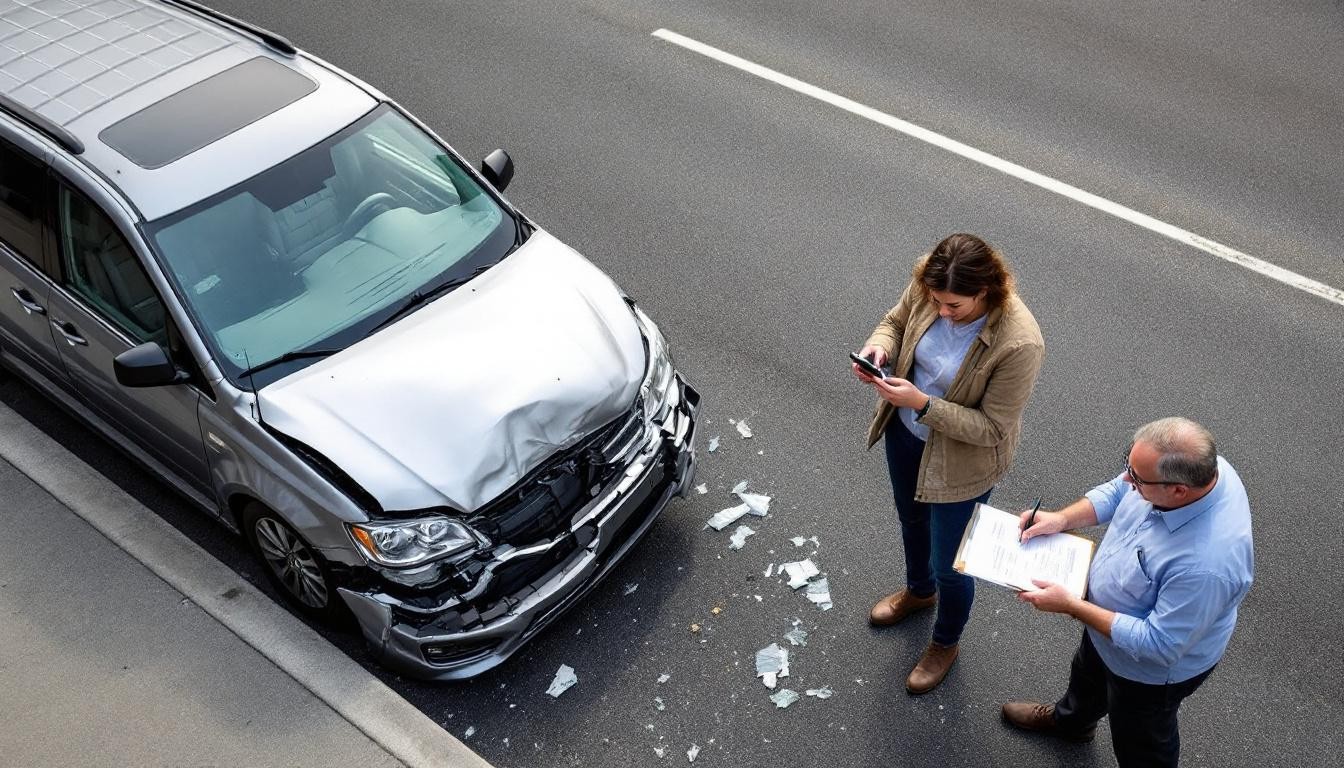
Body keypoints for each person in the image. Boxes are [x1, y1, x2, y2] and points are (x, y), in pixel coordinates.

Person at [853, 233, 1044, 694]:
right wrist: (879, 347)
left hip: (962, 461)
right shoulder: (931, 282)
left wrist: (923, 404)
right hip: (906, 435)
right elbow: (895, 322)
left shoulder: (1020, 343)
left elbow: (992, 428)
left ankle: (945, 643)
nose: (941, 311)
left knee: (953, 564)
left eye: (954, 306)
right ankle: (919, 593)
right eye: (936, 301)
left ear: (986, 293)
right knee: (911, 521)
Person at [1004, 417, 1254, 768]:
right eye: (1128, 466)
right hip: (1105, 631)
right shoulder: (1199, 470)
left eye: (1137, 477)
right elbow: (1118, 490)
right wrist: (1061, 519)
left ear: (1179, 490)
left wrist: (1073, 607)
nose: (1125, 479)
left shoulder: (1208, 565)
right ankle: (1072, 722)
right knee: (1087, 679)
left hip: (1147, 674)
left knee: (1141, 739)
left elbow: (1158, 645)